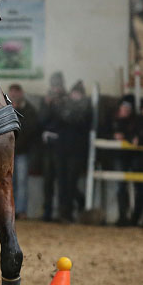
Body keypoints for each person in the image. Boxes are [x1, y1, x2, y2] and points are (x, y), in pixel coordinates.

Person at [55, 80, 92, 222]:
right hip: (62, 149)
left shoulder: (86, 108)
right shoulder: (65, 106)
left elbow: (78, 121)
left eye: (77, 93)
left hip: (76, 151)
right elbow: (58, 119)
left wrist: (66, 112)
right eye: (74, 93)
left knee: (71, 182)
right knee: (63, 182)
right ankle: (64, 211)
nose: (75, 96)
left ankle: (68, 211)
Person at [39, 71, 68, 222]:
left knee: (62, 181)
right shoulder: (47, 99)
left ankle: (63, 212)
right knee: (48, 181)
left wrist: (57, 105)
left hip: (61, 145)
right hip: (48, 145)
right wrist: (48, 105)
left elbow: (65, 119)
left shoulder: (67, 99)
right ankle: (47, 212)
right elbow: (42, 120)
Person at [8, 83, 39, 219]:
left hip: (22, 152)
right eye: (12, 92)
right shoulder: (4, 108)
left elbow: (30, 130)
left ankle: (20, 211)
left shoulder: (29, 111)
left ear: (21, 93)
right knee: (9, 183)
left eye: (16, 91)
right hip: (8, 152)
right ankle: (10, 211)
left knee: (21, 183)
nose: (14, 94)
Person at [109, 94, 137, 226]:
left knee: (137, 187)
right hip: (120, 157)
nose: (126, 110)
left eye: (128, 108)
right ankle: (122, 216)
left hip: (132, 157)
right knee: (121, 187)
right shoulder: (112, 119)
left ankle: (133, 217)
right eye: (124, 107)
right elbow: (103, 131)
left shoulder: (134, 121)